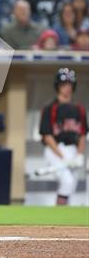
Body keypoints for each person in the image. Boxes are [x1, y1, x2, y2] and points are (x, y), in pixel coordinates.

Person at [39, 68, 87, 205]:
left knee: (71, 186)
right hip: (55, 149)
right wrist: (62, 156)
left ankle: (62, 219)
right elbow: (47, 135)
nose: (67, 88)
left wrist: (78, 155)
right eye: (64, 84)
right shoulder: (50, 108)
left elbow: (83, 134)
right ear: (58, 86)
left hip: (73, 150)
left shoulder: (80, 109)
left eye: (69, 84)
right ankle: (59, 212)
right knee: (67, 182)